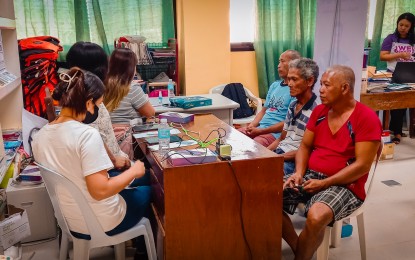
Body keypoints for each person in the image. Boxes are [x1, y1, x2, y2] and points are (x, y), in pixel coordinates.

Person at [32, 68, 151, 252]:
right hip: (103, 221)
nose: (96, 110)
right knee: (152, 190)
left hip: (71, 220)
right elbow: (100, 191)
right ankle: (144, 252)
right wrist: (134, 172)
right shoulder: (86, 135)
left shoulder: (40, 136)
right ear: (88, 103)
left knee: (133, 181)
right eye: (97, 105)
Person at [282, 65, 382, 260]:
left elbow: (362, 165)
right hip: (312, 177)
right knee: (264, 198)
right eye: (321, 85)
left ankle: (301, 256)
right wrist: (299, 173)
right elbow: (304, 146)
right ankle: (300, 248)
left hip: (345, 185)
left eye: (327, 85)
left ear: (344, 88)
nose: (321, 90)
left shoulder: (366, 118)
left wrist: (326, 183)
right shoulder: (320, 112)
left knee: (316, 215)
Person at [66, 41, 131, 168]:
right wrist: (115, 161)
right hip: (109, 169)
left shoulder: (76, 96)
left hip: (111, 163)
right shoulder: (87, 102)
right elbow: (95, 141)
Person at [267, 58, 319, 175]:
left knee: (266, 173)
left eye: (294, 79)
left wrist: (275, 157)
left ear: (310, 81)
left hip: (293, 161)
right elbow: (281, 139)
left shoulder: (317, 111)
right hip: (280, 153)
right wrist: (264, 153)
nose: (289, 84)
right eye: (289, 79)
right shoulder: (292, 105)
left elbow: (309, 150)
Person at [238, 50, 301, 147]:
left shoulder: (295, 90)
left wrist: (260, 131)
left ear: (294, 64)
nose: (278, 65)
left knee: (254, 146)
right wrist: (252, 125)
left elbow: (289, 123)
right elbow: (263, 111)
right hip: (260, 128)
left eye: (283, 61)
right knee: (234, 136)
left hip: (274, 134)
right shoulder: (274, 86)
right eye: (279, 62)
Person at [104, 48, 155, 159]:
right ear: (132, 68)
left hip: (107, 142)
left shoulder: (102, 85)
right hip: (127, 142)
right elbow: (150, 113)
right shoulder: (132, 88)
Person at [380, 12, 415, 144]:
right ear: (397, 24)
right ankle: (398, 132)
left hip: (411, 75)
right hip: (393, 74)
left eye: (406, 26)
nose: (403, 28)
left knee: (406, 99)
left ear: (411, 27)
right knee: (398, 101)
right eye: (401, 24)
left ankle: (399, 130)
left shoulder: (413, 40)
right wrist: (399, 54)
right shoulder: (391, 38)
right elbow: (383, 56)